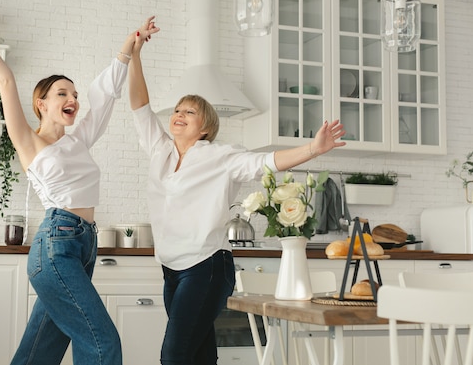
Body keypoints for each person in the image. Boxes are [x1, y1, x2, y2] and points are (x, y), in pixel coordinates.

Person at [0, 0, 159, 365]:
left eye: (74, 93)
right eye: (62, 92)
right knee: (103, 343)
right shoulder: (29, 142)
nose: (72, 97)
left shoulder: (79, 139)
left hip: (81, 246)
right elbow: (6, 81)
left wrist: (129, 45)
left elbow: (106, 95)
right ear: (41, 103)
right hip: (55, 246)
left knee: (38, 353)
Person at [128, 21, 346, 365]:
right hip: (171, 268)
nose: (179, 115)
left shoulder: (220, 156)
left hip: (206, 268)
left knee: (174, 356)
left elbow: (267, 162)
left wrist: (313, 150)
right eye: (178, 110)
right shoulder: (160, 150)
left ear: (205, 127)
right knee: (199, 355)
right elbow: (140, 105)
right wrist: (135, 54)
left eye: (190, 111)